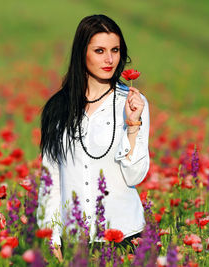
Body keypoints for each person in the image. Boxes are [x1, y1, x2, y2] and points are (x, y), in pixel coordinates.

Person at [36, 14, 150, 262]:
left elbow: (135, 176)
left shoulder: (130, 103)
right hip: (74, 241)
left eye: (115, 50)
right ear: (82, 53)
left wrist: (133, 123)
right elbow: (51, 177)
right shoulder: (58, 108)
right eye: (99, 50)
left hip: (124, 237)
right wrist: (51, 236)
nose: (109, 59)